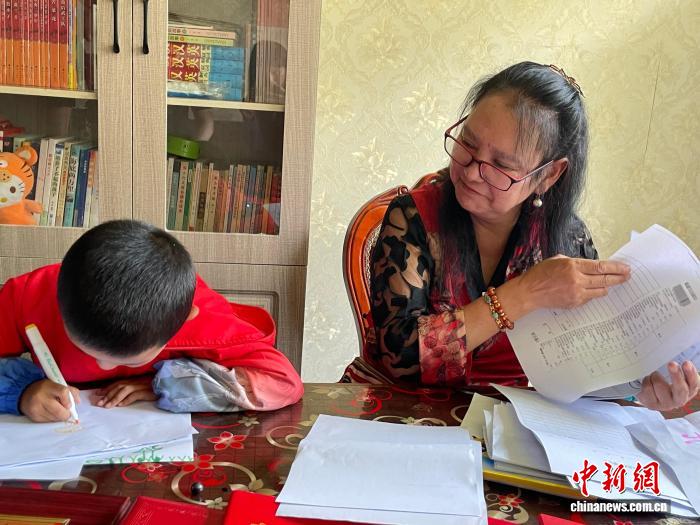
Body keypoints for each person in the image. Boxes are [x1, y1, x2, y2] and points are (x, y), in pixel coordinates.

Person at [342, 61, 699, 412]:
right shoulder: (412, 217)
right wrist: (525, 293)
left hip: (512, 420)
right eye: (468, 143)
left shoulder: (567, 239)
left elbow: (585, 364)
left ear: (549, 175)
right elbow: (400, 359)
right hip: (402, 409)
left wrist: (640, 388)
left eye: (501, 165)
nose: (472, 171)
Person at [0, 220, 303, 422]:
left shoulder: (196, 318)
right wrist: (21, 392)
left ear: (183, 322)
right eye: (85, 348)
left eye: (129, 361)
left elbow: (284, 383)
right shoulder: (29, 295)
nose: (103, 367)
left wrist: (168, 384)